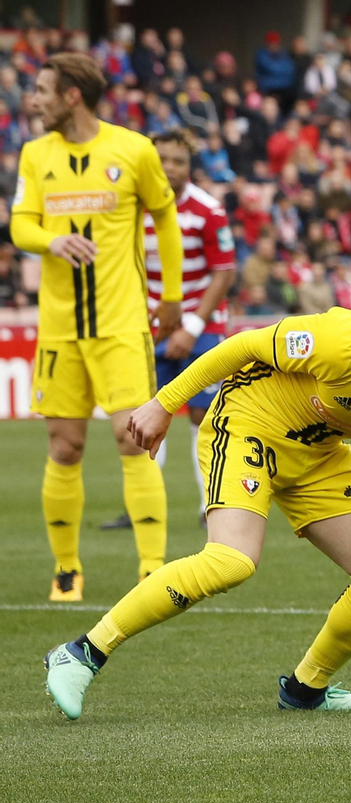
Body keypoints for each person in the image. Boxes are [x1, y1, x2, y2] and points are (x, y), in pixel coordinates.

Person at [43, 291, 351, 719]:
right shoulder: (349, 342)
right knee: (231, 561)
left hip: (317, 448)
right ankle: (83, 652)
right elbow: (245, 346)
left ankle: (306, 689)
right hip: (250, 419)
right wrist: (165, 403)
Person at [10, 53, 187, 601]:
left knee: (131, 440)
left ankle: (152, 567)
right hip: (60, 327)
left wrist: (174, 295)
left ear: (71, 96)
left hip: (121, 321)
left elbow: (166, 215)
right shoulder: (35, 155)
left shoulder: (132, 149)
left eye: (41, 90)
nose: (32, 100)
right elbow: (20, 224)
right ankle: (66, 570)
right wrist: (50, 240)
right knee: (64, 446)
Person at [102, 132, 237, 532]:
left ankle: (211, 506)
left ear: (189, 167)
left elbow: (224, 271)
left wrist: (192, 327)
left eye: (178, 161)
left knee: (205, 416)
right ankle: (142, 506)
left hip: (201, 324)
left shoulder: (208, 209)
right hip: (146, 326)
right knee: (140, 414)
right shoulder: (131, 206)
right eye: (162, 160)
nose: (169, 168)